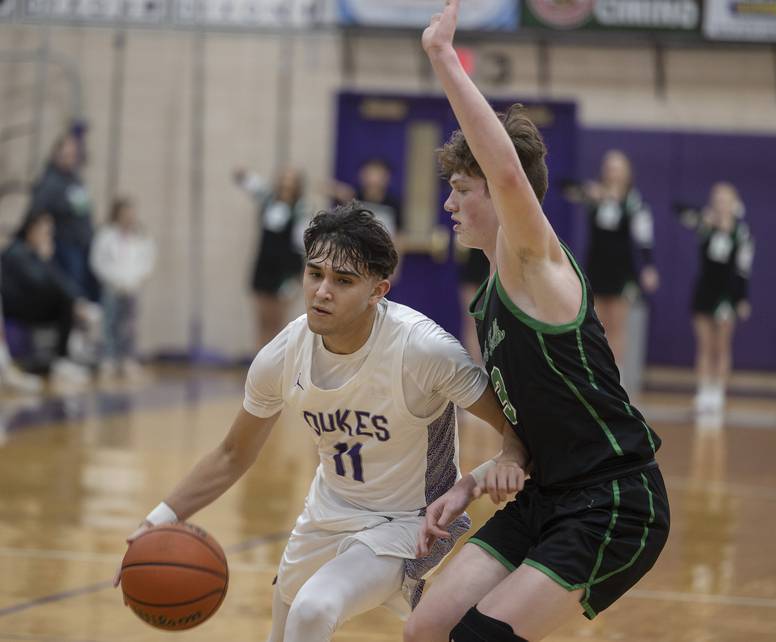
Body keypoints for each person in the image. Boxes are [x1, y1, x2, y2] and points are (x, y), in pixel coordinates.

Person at [113, 203, 528, 642]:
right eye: (315, 274)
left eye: (343, 281)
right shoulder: (283, 354)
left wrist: (508, 458)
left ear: (377, 290)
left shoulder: (425, 351)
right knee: (286, 628)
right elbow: (233, 454)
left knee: (314, 609)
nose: (322, 291)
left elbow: (514, 426)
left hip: (410, 521)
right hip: (327, 511)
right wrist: (156, 521)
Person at [404, 3, 670, 641]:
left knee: (481, 639)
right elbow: (525, 424)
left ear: (501, 193)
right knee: (424, 630)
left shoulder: (537, 264)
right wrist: (476, 478)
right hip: (546, 496)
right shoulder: (490, 297)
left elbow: (503, 169)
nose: (449, 201)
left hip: (612, 502)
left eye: (463, 188)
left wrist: (443, 55)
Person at [563, 150, 659, 368]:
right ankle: (596, 373)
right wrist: (590, 192)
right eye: (609, 168)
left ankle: (614, 378)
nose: (612, 173)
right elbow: (566, 188)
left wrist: (648, 266)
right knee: (595, 324)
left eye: (617, 169)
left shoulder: (634, 203)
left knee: (617, 324)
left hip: (621, 270)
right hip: (596, 266)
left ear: (627, 173)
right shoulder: (594, 195)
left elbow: (644, 238)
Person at [675, 182, 754, 415]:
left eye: (725, 200)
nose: (721, 204)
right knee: (705, 345)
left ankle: (718, 391)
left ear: (734, 203)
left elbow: (743, 268)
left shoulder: (742, 233)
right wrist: (703, 216)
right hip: (705, 291)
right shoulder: (704, 224)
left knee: (722, 345)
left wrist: (742, 298)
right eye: (717, 199)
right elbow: (678, 210)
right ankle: (703, 390)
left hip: (727, 294)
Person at [1, 211, 95, 385]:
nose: (48, 237)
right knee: (64, 301)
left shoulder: (35, 253)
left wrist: (79, 301)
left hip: (31, 304)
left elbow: (60, 283)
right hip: (14, 307)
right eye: (45, 232)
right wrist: (44, 260)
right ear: (32, 230)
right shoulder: (17, 251)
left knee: (69, 302)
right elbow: (39, 283)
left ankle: (68, 355)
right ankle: (61, 359)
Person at [233, 166, 308, 348]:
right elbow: (254, 186)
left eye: (291, 180)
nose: (286, 184)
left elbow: (302, 245)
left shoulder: (301, 210)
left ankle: (276, 367)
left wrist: (300, 275)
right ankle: (258, 362)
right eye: (284, 179)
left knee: (278, 322)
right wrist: (243, 176)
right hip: (264, 266)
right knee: (261, 320)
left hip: (286, 271)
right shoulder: (269, 202)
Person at [89, 197, 156, 379]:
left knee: (130, 324)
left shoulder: (141, 237)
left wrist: (136, 280)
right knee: (109, 323)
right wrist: (112, 279)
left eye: (131, 213)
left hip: (132, 287)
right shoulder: (106, 236)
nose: (129, 217)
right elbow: (97, 261)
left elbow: (147, 262)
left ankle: (127, 358)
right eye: (125, 213)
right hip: (112, 286)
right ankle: (108, 359)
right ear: (117, 214)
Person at [28, 132, 98, 301]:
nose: (70, 159)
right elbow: (37, 211)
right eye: (66, 154)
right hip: (65, 245)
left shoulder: (74, 178)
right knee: (70, 291)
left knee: (85, 290)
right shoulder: (50, 181)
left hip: (82, 244)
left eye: (73, 155)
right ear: (56, 154)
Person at [330, 158, 403, 238]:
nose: (374, 180)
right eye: (370, 174)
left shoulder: (394, 204)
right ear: (362, 176)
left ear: (387, 177)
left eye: (379, 175)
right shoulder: (351, 198)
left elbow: (400, 233)